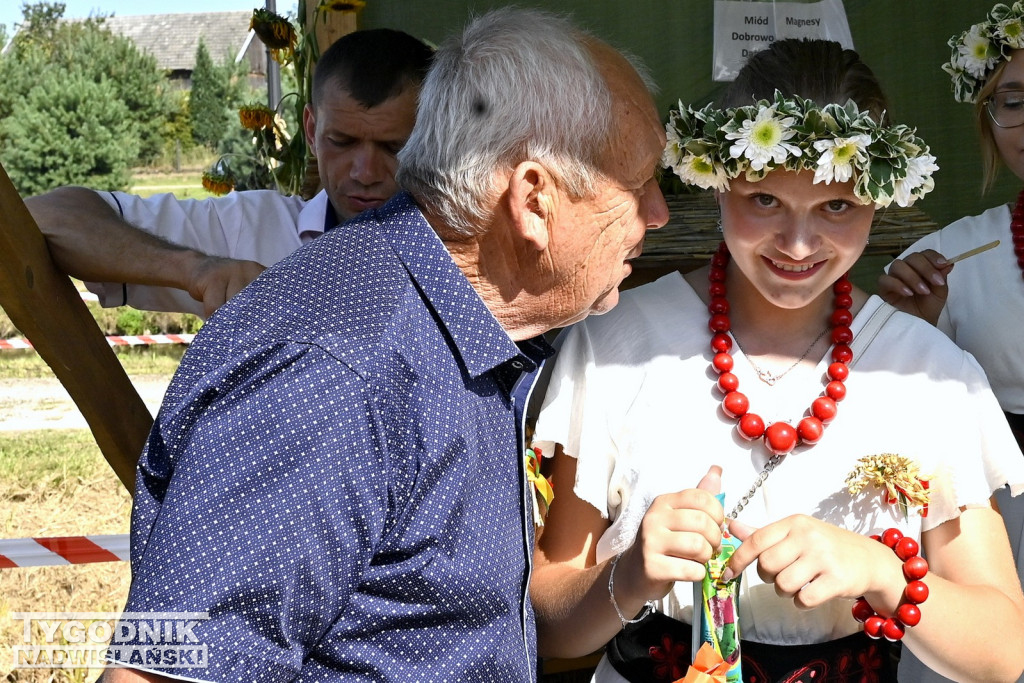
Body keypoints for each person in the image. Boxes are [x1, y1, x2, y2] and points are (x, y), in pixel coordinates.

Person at [98, 7, 668, 682]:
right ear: (534, 200)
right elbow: (162, 671)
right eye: (638, 186)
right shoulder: (339, 370)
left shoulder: (449, 328)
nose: (658, 214)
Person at [530, 38, 1024, 683]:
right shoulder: (619, 343)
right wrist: (629, 576)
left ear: (880, 201)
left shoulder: (929, 372)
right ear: (718, 184)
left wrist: (882, 574)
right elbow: (548, 623)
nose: (797, 244)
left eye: (837, 207)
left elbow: (1002, 652)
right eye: (764, 200)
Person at [24, 28, 433, 319]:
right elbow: (46, 215)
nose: (364, 172)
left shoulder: (476, 248)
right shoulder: (246, 231)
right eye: (341, 142)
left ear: (435, 140)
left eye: (393, 147)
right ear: (310, 130)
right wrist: (196, 270)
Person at [877, 3, 1024, 680]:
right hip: (996, 534)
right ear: (989, 125)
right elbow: (881, 422)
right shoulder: (948, 256)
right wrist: (915, 327)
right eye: (1013, 100)